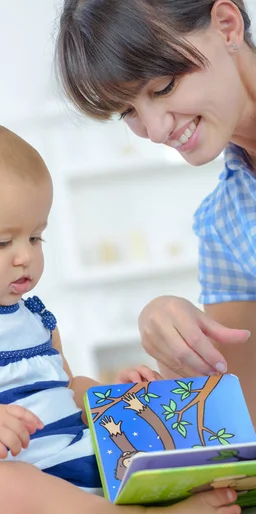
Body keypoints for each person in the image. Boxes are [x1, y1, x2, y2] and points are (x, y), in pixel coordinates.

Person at [0, 120, 241, 514]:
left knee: (152, 438)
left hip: (78, 470)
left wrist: (112, 395)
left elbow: (66, 391)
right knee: (3, 491)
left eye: (35, 236)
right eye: (1, 242)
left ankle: (137, 504)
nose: (25, 256)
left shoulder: (35, 318)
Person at [55, 0, 256, 424]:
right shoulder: (223, 224)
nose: (156, 130)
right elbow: (238, 419)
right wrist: (170, 344)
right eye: (128, 111)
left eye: (163, 86)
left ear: (226, 25)